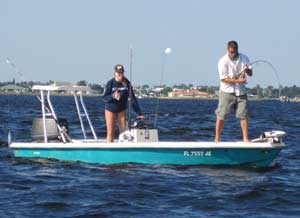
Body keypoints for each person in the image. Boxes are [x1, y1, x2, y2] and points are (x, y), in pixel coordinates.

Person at [215, 41, 253, 143]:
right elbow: (223, 79)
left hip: (241, 91)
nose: (233, 54)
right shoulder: (222, 61)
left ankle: (245, 138)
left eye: (235, 51)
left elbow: (250, 73)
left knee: (244, 114)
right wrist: (237, 81)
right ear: (228, 50)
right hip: (226, 91)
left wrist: (247, 70)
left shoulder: (244, 58)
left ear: (237, 49)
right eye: (231, 52)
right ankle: (217, 138)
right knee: (221, 114)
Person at [103, 64, 143, 142]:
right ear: (115, 73)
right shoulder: (110, 83)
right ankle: (109, 148)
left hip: (121, 109)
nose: (120, 75)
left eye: (121, 73)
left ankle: (123, 148)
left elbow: (133, 98)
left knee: (124, 133)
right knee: (111, 132)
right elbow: (104, 98)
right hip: (110, 109)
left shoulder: (126, 83)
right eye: (118, 73)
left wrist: (139, 113)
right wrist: (112, 96)